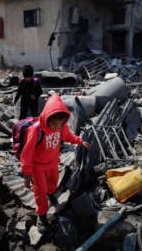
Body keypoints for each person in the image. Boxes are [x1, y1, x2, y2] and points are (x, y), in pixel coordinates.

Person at [20, 93, 90, 231]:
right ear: (47, 117)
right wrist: (27, 173)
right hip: (38, 167)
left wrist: (80, 141)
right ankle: (42, 216)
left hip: (52, 163)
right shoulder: (35, 130)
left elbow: (68, 136)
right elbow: (26, 153)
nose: (56, 127)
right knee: (40, 193)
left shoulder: (61, 126)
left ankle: (50, 194)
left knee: (52, 185)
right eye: (54, 124)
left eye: (60, 124)